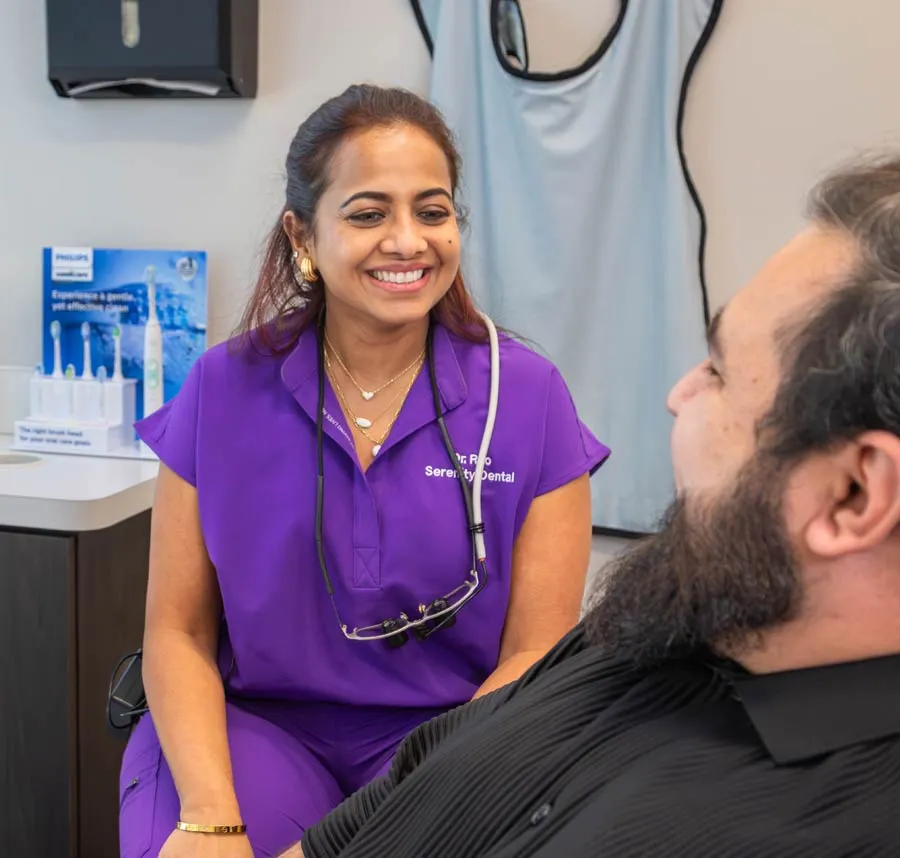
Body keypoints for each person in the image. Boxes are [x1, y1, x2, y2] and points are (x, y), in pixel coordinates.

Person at [277, 153, 900, 858]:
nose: (680, 395)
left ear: (854, 494)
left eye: (720, 374)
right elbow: (417, 779)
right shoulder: (665, 615)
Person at [117, 84, 609, 858]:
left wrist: (423, 801)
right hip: (250, 728)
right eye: (369, 213)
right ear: (303, 234)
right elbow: (176, 630)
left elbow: (534, 653)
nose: (408, 240)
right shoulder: (223, 386)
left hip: (455, 740)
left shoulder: (527, 397)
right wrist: (211, 815)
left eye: (433, 210)